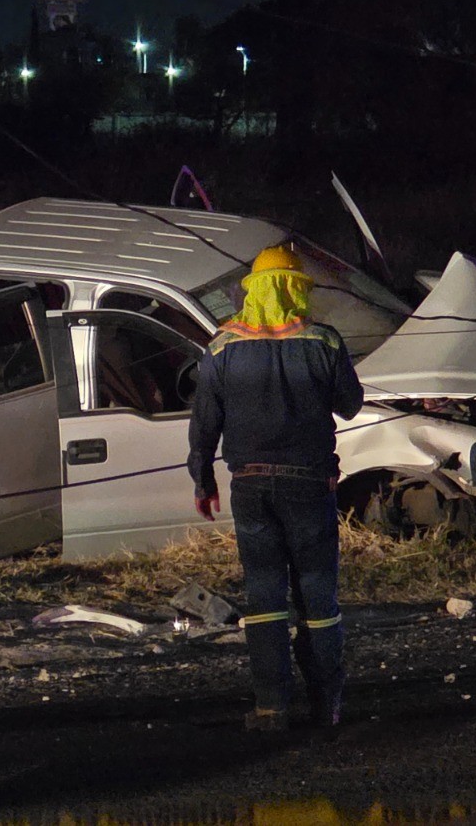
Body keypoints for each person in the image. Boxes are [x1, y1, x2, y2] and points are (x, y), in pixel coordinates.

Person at [187, 244, 364, 731]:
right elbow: (350, 405)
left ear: (254, 291)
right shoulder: (322, 341)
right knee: (317, 595)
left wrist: (202, 480)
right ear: (297, 288)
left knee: (264, 596)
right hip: (310, 485)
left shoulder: (221, 346)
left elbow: (204, 423)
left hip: (250, 488)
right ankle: (326, 703)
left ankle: (271, 707)